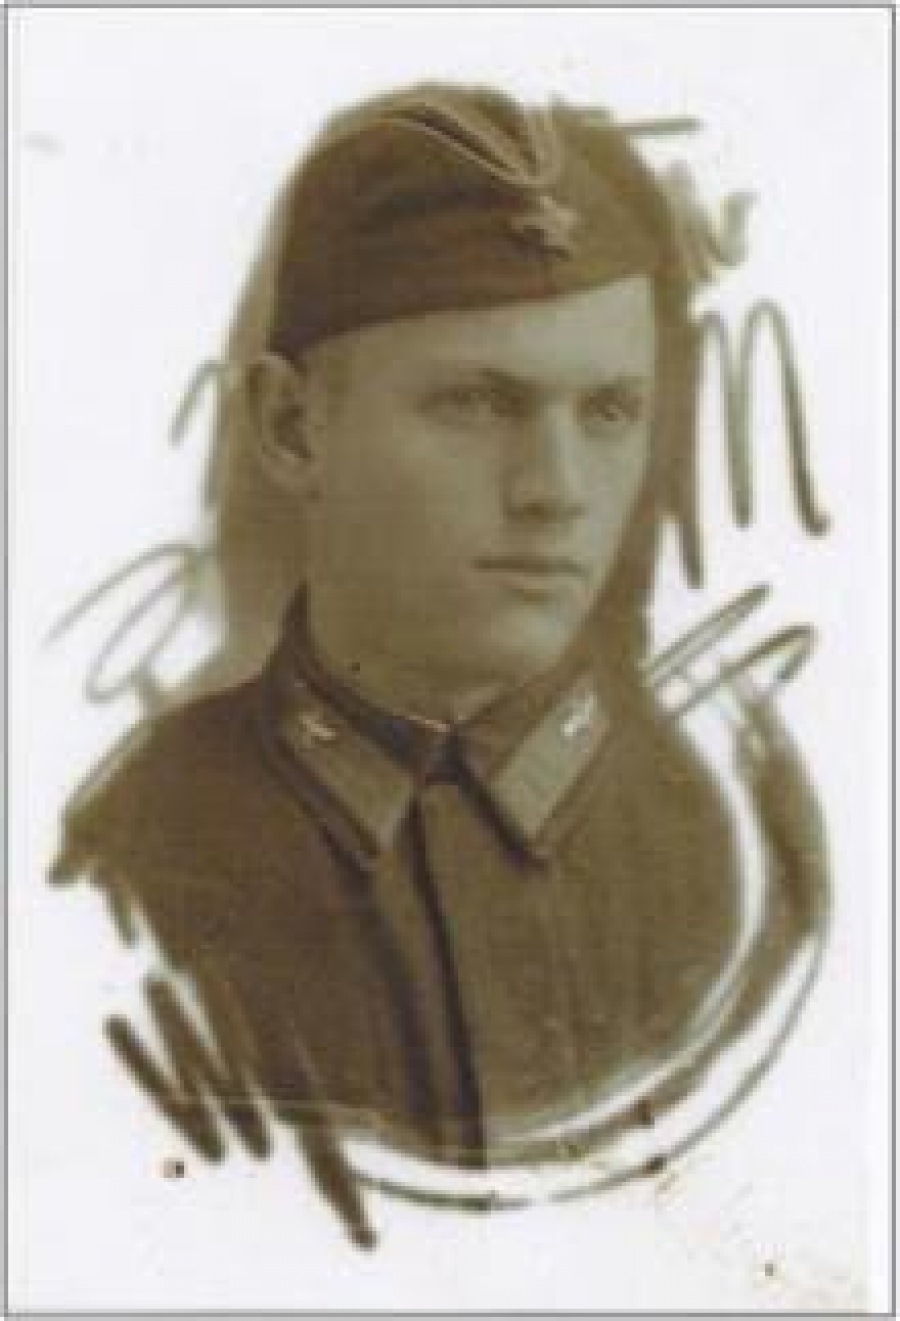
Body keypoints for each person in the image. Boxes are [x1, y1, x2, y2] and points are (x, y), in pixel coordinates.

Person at [52, 84, 826, 1224]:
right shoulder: (121, 868)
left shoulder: (743, 856)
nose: (555, 491)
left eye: (609, 412)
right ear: (292, 427)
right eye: (475, 403)